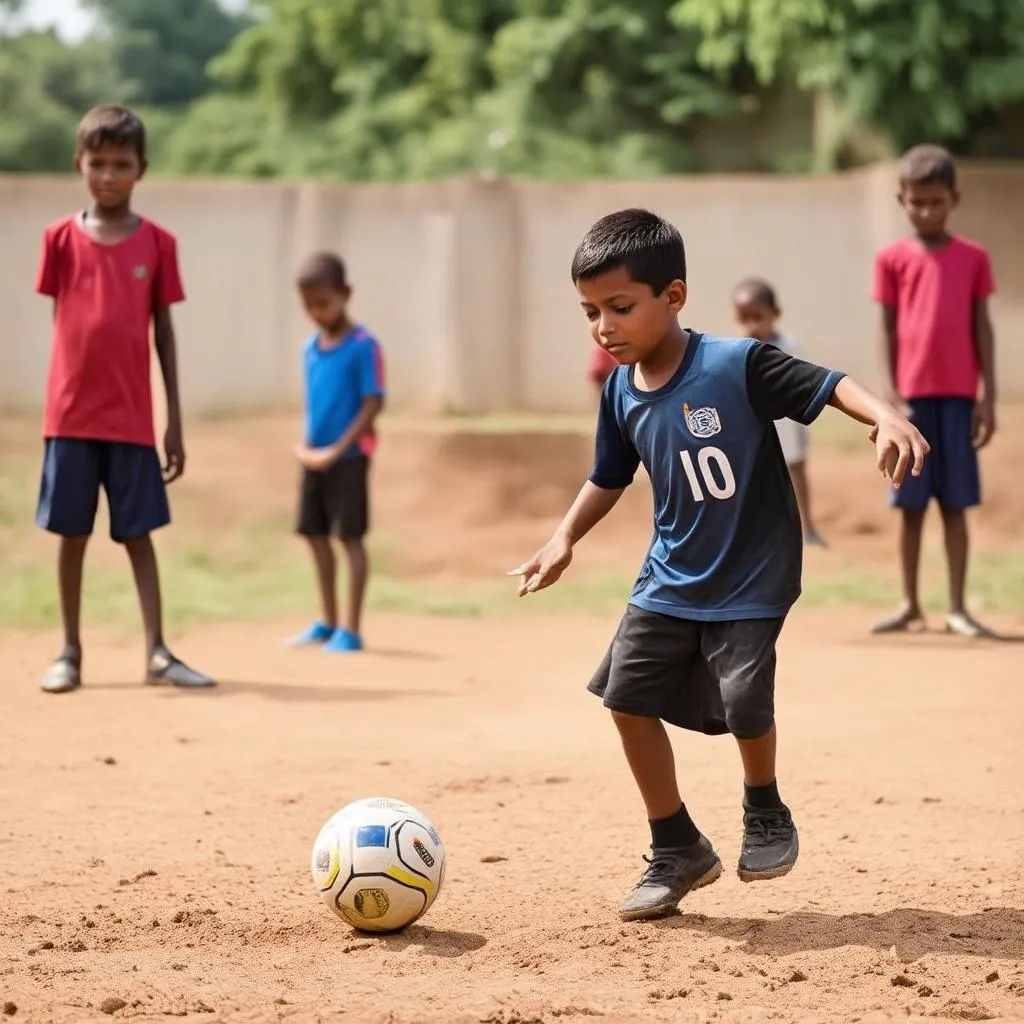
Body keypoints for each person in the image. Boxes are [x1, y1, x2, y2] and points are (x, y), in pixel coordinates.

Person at [509, 209, 928, 921]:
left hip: (752, 573)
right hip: (669, 576)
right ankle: (676, 847)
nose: (603, 327)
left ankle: (763, 807)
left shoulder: (735, 365)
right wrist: (563, 537)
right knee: (626, 700)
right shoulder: (619, 392)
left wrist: (884, 416)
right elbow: (609, 475)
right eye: (589, 312)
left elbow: (829, 385)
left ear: (672, 297)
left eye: (619, 307)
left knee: (742, 702)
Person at [34, 105, 214, 695]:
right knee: (72, 535)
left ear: (142, 169)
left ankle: (157, 652)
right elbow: (69, 322)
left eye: (121, 164)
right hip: (70, 416)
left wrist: (174, 421)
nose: (108, 175)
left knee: (138, 534)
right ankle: (70, 652)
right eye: (98, 163)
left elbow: (162, 333)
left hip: (134, 420)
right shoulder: (58, 240)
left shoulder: (159, 244)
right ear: (78, 165)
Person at [872, 144, 998, 638]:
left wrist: (987, 396)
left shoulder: (974, 258)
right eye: (916, 201)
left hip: (960, 398)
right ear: (902, 199)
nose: (926, 210)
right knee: (909, 506)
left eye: (935, 201)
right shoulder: (891, 259)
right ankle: (908, 604)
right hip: (910, 403)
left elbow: (983, 328)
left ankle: (958, 606)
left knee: (955, 504)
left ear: (954, 199)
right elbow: (885, 328)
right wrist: (888, 395)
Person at [288, 253, 385, 653]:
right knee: (314, 535)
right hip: (315, 458)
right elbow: (315, 405)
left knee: (350, 539)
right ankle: (327, 622)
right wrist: (307, 446)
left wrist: (336, 449)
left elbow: (372, 402)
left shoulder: (363, 346)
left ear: (345, 294)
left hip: (348, 459)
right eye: (309, 305)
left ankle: (351, 628)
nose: (316, 312)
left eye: (324, 302)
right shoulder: (309, 349)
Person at [732, 277, 826, 547]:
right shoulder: (734, 352)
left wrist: (803, 429)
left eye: (757, 317)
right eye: (743, 318)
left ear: (775, 314)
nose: (751, 325)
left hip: (788, 424)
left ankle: (807, 529)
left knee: (796, 472)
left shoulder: (790, 348)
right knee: (752, 482)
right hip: (753, 430)